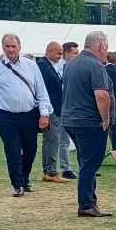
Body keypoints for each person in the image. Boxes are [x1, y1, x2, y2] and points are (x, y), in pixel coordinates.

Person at [0, 35, 51, 197]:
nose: (10, 50)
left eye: (13, 46)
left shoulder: (31, 66)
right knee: (13, 150)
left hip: (29, 115)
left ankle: (24, 178)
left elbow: (41, 92)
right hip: (6, 116)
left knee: (31, 149)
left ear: (20, 47)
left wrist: (44, 114)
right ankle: (17, 184)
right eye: (7, 46)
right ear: (3, 47)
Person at [61, 29, 114, 218]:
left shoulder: (71, 64)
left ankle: (89, 201)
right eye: (106, 46)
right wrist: (106, 119)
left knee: (85, 162)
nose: (107, 50)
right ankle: (86, 204)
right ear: (100, 46)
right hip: (89, 121)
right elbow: (101, 95)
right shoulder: (95, 66)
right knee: (90, 164)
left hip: (71, 119)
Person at [36, 41, 75, 183]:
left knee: (50, 141)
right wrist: (45, 110)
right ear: (49, 51)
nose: (60, 56)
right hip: (50, 109)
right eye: (58, 53)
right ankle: (51, 171)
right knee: (53, 140)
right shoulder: (43, 66)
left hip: (54, 108)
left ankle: (49, 170)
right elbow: (43, 90)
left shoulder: (49, 65)